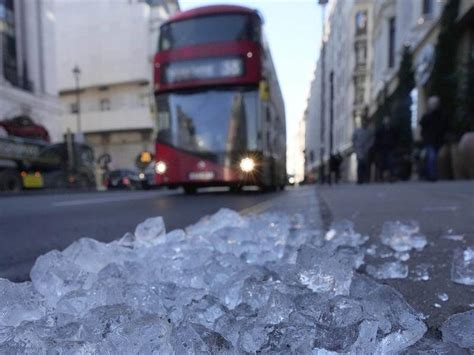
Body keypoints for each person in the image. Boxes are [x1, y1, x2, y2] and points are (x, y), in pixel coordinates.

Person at [419, 96, 445, 181]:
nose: (434, 105)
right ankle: (432, 175)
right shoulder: (427, 116)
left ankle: (431, 174)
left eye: (435, 103)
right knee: (432, 157)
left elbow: (444, 127)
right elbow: (422, 127)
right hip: (430, 141)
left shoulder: (441, 115)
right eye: (432, 104)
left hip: (438, 141)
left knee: (434, 158)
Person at [352, 119, 374, 184]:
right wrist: (355, 146)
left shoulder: (369, 131)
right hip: (359, 149)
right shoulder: (357, 131)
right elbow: (353, 139)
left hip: (366, 150)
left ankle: (365, 178)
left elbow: (372, 140)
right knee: (360, 164)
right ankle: (360, 179)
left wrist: (368, 146)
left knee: (365, 165)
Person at [375, 116, 397, 181]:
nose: (387, 122)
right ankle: (381, 177)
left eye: (387, 121)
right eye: (385, 121)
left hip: (390, 148)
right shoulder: (380, 130)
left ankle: (392, 176)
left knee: (391, 163)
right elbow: (377, 139)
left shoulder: (392, 129)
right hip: (382, 148)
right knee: (381, 163)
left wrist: (393, 145)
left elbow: (395, 137)